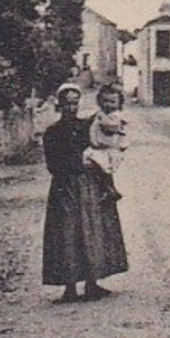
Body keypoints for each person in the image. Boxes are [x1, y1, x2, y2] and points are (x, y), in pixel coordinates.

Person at [41, 83, 129, 302]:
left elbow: (105, 145)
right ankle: (69, 287)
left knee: (93, 231)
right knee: (67, 234)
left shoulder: (87, 126)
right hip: (66, 187)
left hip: (91, 185)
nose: (71, 107)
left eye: (75, 102)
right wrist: (79, 164)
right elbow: (53, 165)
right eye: (67, 103)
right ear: (59, 104)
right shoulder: (52, 133)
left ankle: (92, 283)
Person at [82, 84, 128, 203]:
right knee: (99, 169)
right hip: (99, 147)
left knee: (102, 169)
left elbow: (112, 128)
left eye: (112, 102)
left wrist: (102, 121)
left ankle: (109, 190)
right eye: (105, 101)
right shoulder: (102, 113)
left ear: (119, 103)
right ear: (99, 101)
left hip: (106, 149)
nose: (108, 104)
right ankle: (107, 189)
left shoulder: (115, 115)